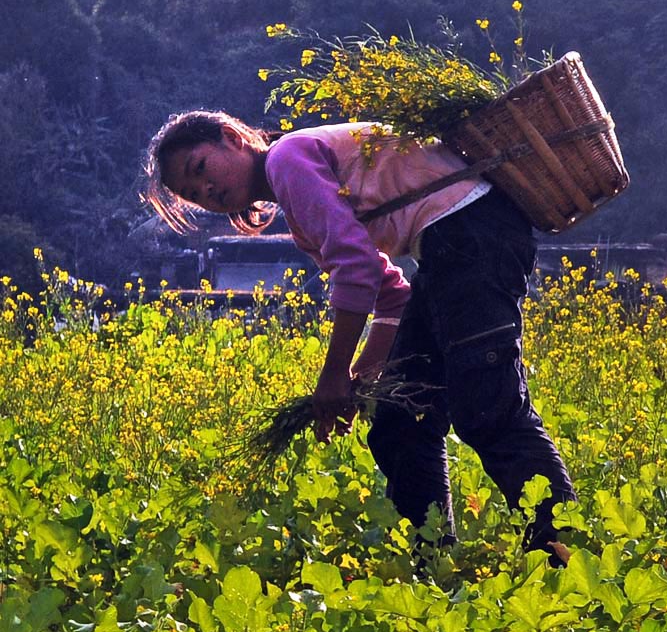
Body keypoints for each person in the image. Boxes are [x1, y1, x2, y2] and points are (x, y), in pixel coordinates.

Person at [144, 110, 576, 566]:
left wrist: (331, 379)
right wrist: (358, 379)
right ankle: (435, 566)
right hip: (447, 248)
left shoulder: (287, 159)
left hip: (469, 233)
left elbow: (357, 269)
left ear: (232, 137)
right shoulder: (297, 202)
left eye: (200, 169)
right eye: (195, 195)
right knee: (397, 422)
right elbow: (391, 296)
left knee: (489, 408)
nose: (208, 192)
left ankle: (563, 559)